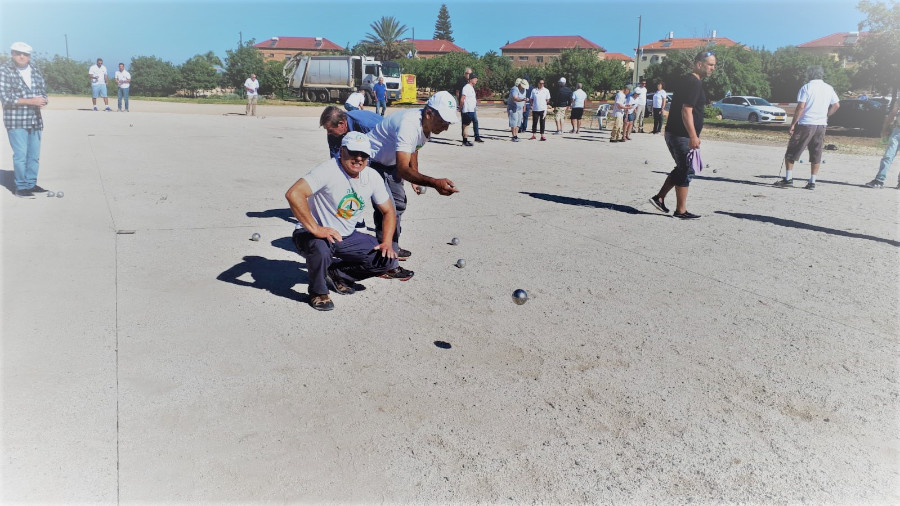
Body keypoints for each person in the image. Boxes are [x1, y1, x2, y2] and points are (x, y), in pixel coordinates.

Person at [285, 132, 399, 311]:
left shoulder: (372, 176)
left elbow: (388, 211)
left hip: (345, 236)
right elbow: (294, 193)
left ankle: (338, 272)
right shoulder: (328, 170)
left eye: (364, 155)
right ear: (342, 151)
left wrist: (386, 242)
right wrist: (316, 229)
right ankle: (318, 292)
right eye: (354, 153)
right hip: (310, 234)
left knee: (387, 259)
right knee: (321, 247)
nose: (359, 158)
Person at [366, 91, 460, 278]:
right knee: (388, 209)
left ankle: (391, 245)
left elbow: (413, 149)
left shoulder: (426, 126)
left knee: (399, 204)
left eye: (448, 123)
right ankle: (385, 264)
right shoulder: (409, 124)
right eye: (443, 121)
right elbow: (402, 169)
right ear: (429, 114)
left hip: (391, 164)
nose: (446, 127)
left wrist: (414, 177)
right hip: (373, 163)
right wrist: (434, 182)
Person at [649, 50, 717, 219]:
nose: (712, 68)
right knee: (687, 169)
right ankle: (680, 210)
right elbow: (686, 110)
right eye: (710, 64)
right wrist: (693, 136)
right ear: (699, 64)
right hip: (681, 134)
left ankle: (659, 198)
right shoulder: (694, 83)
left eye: (714, 65)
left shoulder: (689, 80)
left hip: (676, 133)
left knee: (683, 168)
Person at [773, 65, 840, 190]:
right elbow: (836, 105)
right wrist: (826, 115)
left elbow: (801, 107)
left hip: (806, 123)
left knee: (792, 150)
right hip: (821, 125)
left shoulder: (806, 87)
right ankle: (812, 182)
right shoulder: (829, 88)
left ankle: (788, 179)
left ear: (809, 75)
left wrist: (793, 124)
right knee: (816, 152)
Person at [1, 42, 49, 199]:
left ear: (29, 56)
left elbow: (42, 90)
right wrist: (32, 101)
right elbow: (6, 98)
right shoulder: (4, 70)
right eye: (18, 53)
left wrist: (43, 100)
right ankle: (20, 187)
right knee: (21, 155)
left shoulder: (34, 68)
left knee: (34, 155)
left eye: (26, 54)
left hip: (35, 119)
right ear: (12, 54)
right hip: (16, 120)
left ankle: (30, 183)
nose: (22, 56)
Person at [864, 101, 900, 189]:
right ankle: (879, 180)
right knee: (888, 155)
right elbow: (892, 114)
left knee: (888, 156)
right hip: (897, 131)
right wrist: (884, 129)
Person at [459, 72, 483, 146]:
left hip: (471, 110)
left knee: (467, 125)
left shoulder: (471, 87)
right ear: (471, 79)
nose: (476, 80)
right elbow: (462, 99)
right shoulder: (466, 87)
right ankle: (465, 141)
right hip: (467, 110)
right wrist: (460, 107)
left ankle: (469, 139)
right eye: (475, 79)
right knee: (465, 125)